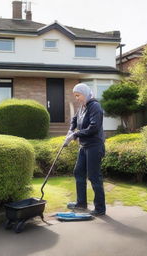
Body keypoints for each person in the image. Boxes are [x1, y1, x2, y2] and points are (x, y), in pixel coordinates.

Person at [64, 83, 106, 216]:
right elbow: (75, 119)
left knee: (94, 176)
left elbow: (93, 127)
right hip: (84, 146)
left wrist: (75, 135)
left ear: (85, 93)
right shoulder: (83, 107)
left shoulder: (95, 106)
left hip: (94, 146)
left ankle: (100, 208)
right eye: (75, 96)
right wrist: (71, 129)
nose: (77, 98)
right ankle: (81, 203)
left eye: (78, 95)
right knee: (78, 172)